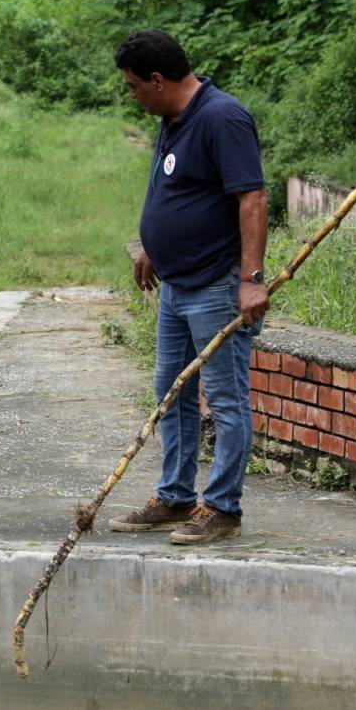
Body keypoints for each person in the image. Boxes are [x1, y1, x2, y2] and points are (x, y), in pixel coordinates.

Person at [108, 30, 269, 544]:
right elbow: (174, 187)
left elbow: (253, 199)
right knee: (171, 394)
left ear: (158, 80)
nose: (132, 94)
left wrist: (251, 281)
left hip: (216, 286)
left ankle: (222, 508)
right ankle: (174, 496)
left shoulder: (222, 118)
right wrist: (154, 245)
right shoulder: (171, 119)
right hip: (175, 285)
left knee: (224, 400)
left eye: (134, 86)